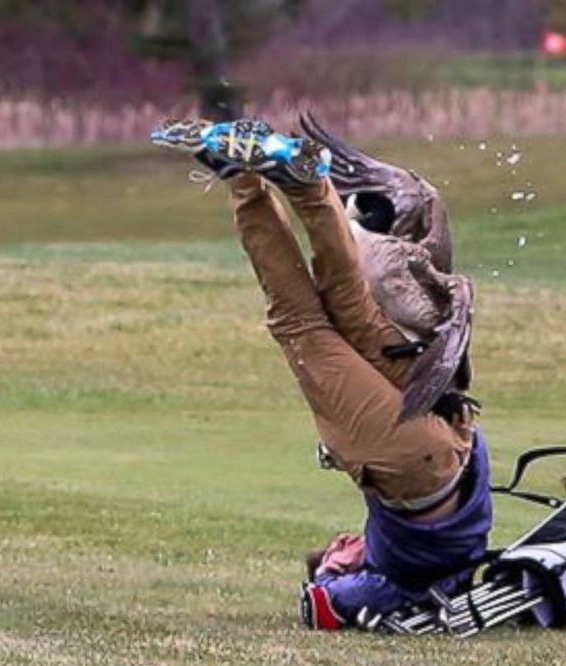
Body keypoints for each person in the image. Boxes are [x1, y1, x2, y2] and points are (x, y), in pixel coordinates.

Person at [151, 118, 493, 630]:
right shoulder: (395, 582)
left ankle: (306, 183)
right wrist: (328, 577)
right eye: (339, 552)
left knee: (345, 297)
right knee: (298, 323)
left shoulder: (433, 560)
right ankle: (244, 179)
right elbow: (321, 606)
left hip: (448, 433)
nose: (338, 548)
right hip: (418, 463)